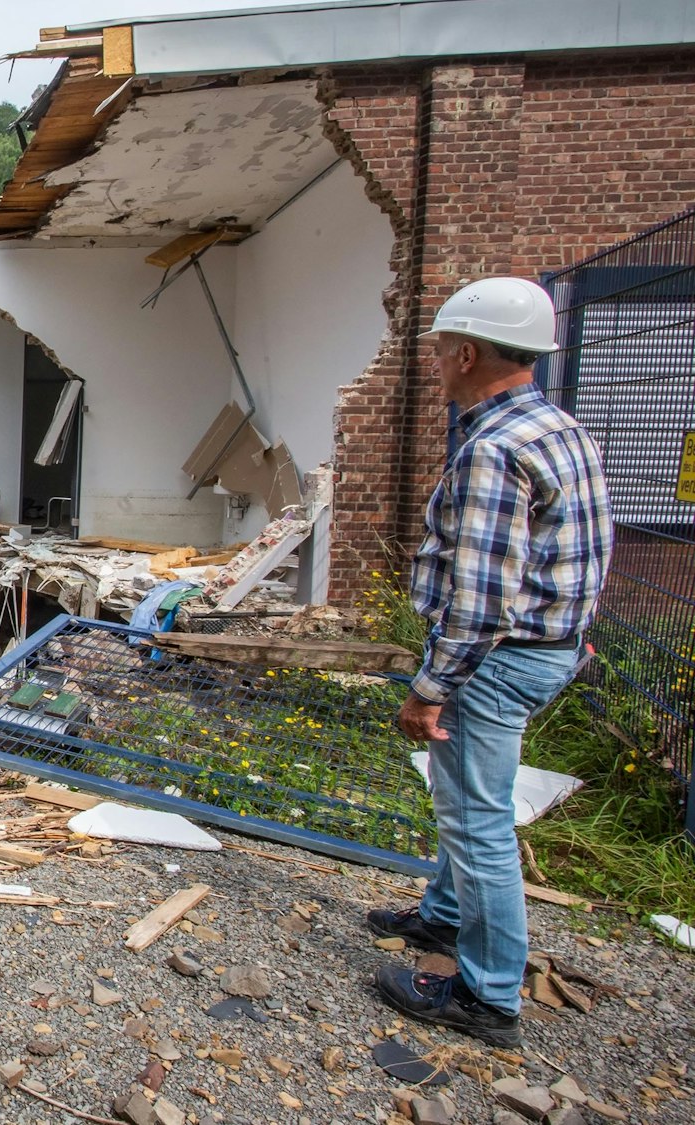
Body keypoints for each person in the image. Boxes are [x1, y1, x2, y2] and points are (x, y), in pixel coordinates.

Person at [368, 276, 613, 1047]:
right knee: (467, 793)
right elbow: (581, 545)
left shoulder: (493, 450)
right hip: (546, 647)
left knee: (477, 822)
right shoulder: (558, 429)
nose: (437, 365)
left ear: (468, 352)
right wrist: (571, 631)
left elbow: (479, 600)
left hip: (496, 660)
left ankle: (488, 993)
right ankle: (443, 916)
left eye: (442, 351)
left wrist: (430, 687)